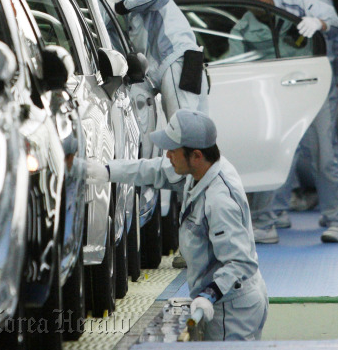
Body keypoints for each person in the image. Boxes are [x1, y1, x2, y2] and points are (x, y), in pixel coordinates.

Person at [75, 0, 209, 268]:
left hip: (180, 65)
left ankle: (199, 248)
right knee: (185, 153)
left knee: (190, 152)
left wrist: (116, 3)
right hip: (172, 71)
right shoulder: (126, 1)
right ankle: (197, 245)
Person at [87, 109, 268, 341]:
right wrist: (107, 171)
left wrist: (209, 294)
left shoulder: (220, 200)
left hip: (231, 310)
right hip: (228, 301)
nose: (167, 155)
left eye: (172, 150)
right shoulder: (200, 171)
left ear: (196, 155)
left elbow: (241, 263)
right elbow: (152, 170)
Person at [230, 0, 338, 243]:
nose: (254, 1)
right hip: (276, 98)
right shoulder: (243, 28)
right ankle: (265, 222)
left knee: (324, 155)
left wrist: (319, 23)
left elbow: (334, 20)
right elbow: (236, 65)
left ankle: (337, 222)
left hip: (314, 88)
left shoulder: (298, 3)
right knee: (270, 155)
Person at [73, 0, 209, 121]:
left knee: (185, 127)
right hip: (174, 65)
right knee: (196, 128)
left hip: (177, 62)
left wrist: (120, 6)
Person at [264, 0, 338, 219]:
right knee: (326, 152)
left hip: (288, 85)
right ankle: (333, 215)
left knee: (287, 150)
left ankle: (277, 213)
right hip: (324, 82)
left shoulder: (277, 1)